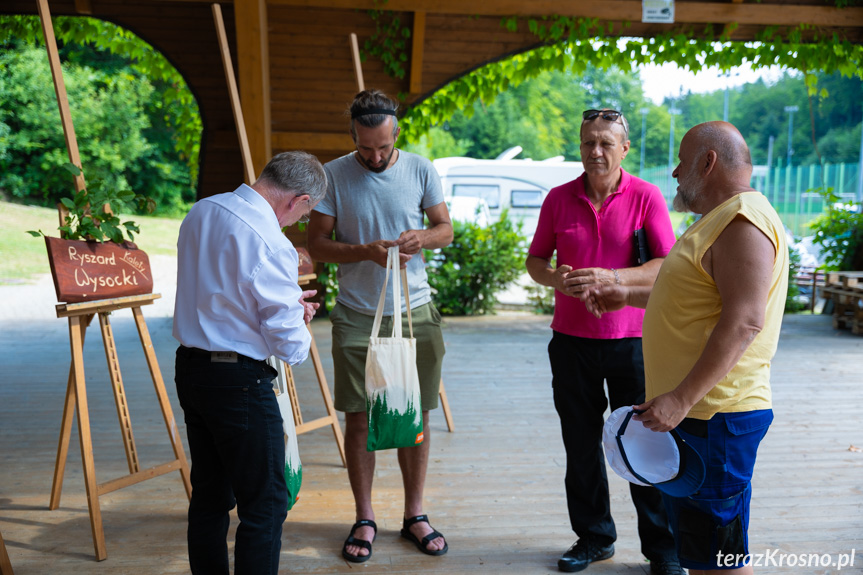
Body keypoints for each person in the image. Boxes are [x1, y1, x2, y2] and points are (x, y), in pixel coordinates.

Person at [581, 121, 789, 575]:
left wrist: (680, 397)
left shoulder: (741, 223)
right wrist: (626, 295)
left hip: (715, 418)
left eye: (682, 161)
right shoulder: (718, 221)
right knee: (705, 554)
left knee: (719, 562)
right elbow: (693, 299)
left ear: (708, 162)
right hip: (700, 419)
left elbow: (745, 321)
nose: (674, 172)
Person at [525, 108, 683, 574]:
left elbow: (666, 266)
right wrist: (556, 278)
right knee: (580, 444)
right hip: (570, 342)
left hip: (634, 341)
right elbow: (536, 261)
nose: (596, 151)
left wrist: (612, 276)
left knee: (645, 444)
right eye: (588, 142)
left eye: (606, 143)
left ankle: (663, 549)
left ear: (624, 149)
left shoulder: (646, 196)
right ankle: (594, 538)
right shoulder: (557, 198)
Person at [307, 89, 453, 563]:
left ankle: (414, 514)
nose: (375, 156)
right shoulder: (332, 175)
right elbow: (318, 245)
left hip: (416, 309)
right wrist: (364, 251)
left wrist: (423, 237)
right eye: (366, 148)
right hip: (355, 312)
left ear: (396, 135)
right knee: (358, 415)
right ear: (353, 135)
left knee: (417, 411)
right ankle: (365, 515)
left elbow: (445, 230)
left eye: (384, 148)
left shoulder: (421, 168)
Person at [172, 151, 327, 575]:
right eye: (305, 213)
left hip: (192, 367)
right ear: (300, 199)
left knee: (209, 496)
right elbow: (291, 347)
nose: (297, 223)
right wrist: (296, 319)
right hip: (237, 380)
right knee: (267, 502)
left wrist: (288, 310)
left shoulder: (203, 210)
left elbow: (222, 295)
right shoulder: (271, 241)